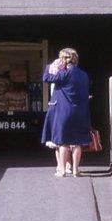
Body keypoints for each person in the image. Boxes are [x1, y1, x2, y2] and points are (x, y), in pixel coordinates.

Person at [40, 48, 92, 177]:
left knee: (63, 142)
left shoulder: (65, 73)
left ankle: (62, 170)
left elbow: (46, 78)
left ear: (64, 59)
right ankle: (75, 170)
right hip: (79, 112)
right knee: (78, 142)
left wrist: (50, 66)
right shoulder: (83, 74)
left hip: (63, 112)